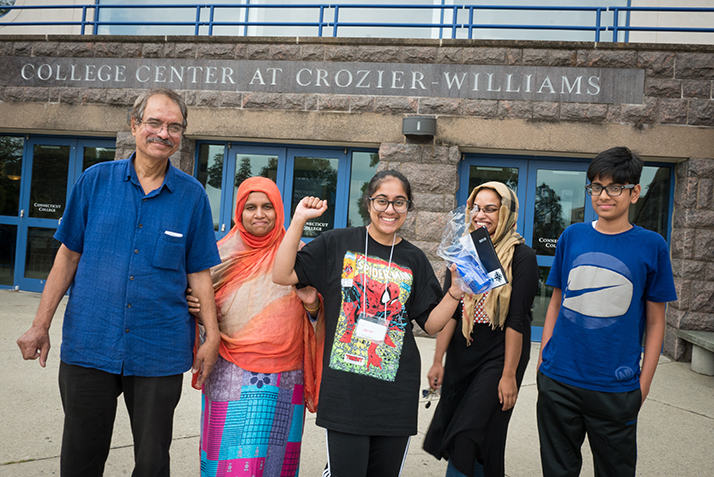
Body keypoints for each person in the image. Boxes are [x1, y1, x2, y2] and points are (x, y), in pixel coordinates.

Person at [16, 88, 221, 477]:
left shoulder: (192, 197)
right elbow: (67, 256)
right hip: (90, 343)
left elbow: (199, 272)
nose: (164, 133)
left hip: (158, 348)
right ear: (134, 125)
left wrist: (211, 335)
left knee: (152, 459)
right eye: (155, 123)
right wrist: (40, 324)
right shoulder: (94, 182)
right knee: (81, 456)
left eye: (174, 127)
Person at [272, 170, 463, 477]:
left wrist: (455, 293)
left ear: (408, 207)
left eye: (399, 202)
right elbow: (282, 274)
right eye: (382, 201)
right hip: (345, 394)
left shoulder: (414, 259)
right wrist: (298, 221)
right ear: (368, 203)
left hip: (394, 397)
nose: (390, 209)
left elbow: (431, 324)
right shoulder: (337, 243)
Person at [537, 147, 677, 477]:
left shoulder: (652, 245)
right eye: (597, 186)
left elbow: (657, 321)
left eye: (615, 187)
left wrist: (643, 386)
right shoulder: (572, 236)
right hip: (559, 381)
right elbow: (556, 301)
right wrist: (545, 360)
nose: (604, 195)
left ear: (634, 192)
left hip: (616, 388)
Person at [190, 176, 324, 477]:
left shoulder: (299, 255)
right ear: (238, 211)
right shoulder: (216, 255)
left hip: (285, 377)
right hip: (229, 373)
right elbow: (200, 310)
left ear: (279, 210)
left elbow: (318, 313)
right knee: (228, 463)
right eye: (251, 207)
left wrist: (313, 304)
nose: (259, 214)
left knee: (274, 463)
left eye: (267, 207)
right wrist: (197, 312)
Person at [422, 182, 539, 477]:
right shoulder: (465, 249)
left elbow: (517, 320)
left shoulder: (522, 257)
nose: (480, 215)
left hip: (500, 353)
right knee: (467, 433)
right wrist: (438, 361)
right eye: (476, 207)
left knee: (467, 432)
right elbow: (452, 312)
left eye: (490, 209)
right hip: (464, 349)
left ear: (507, 214)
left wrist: (509, 375)